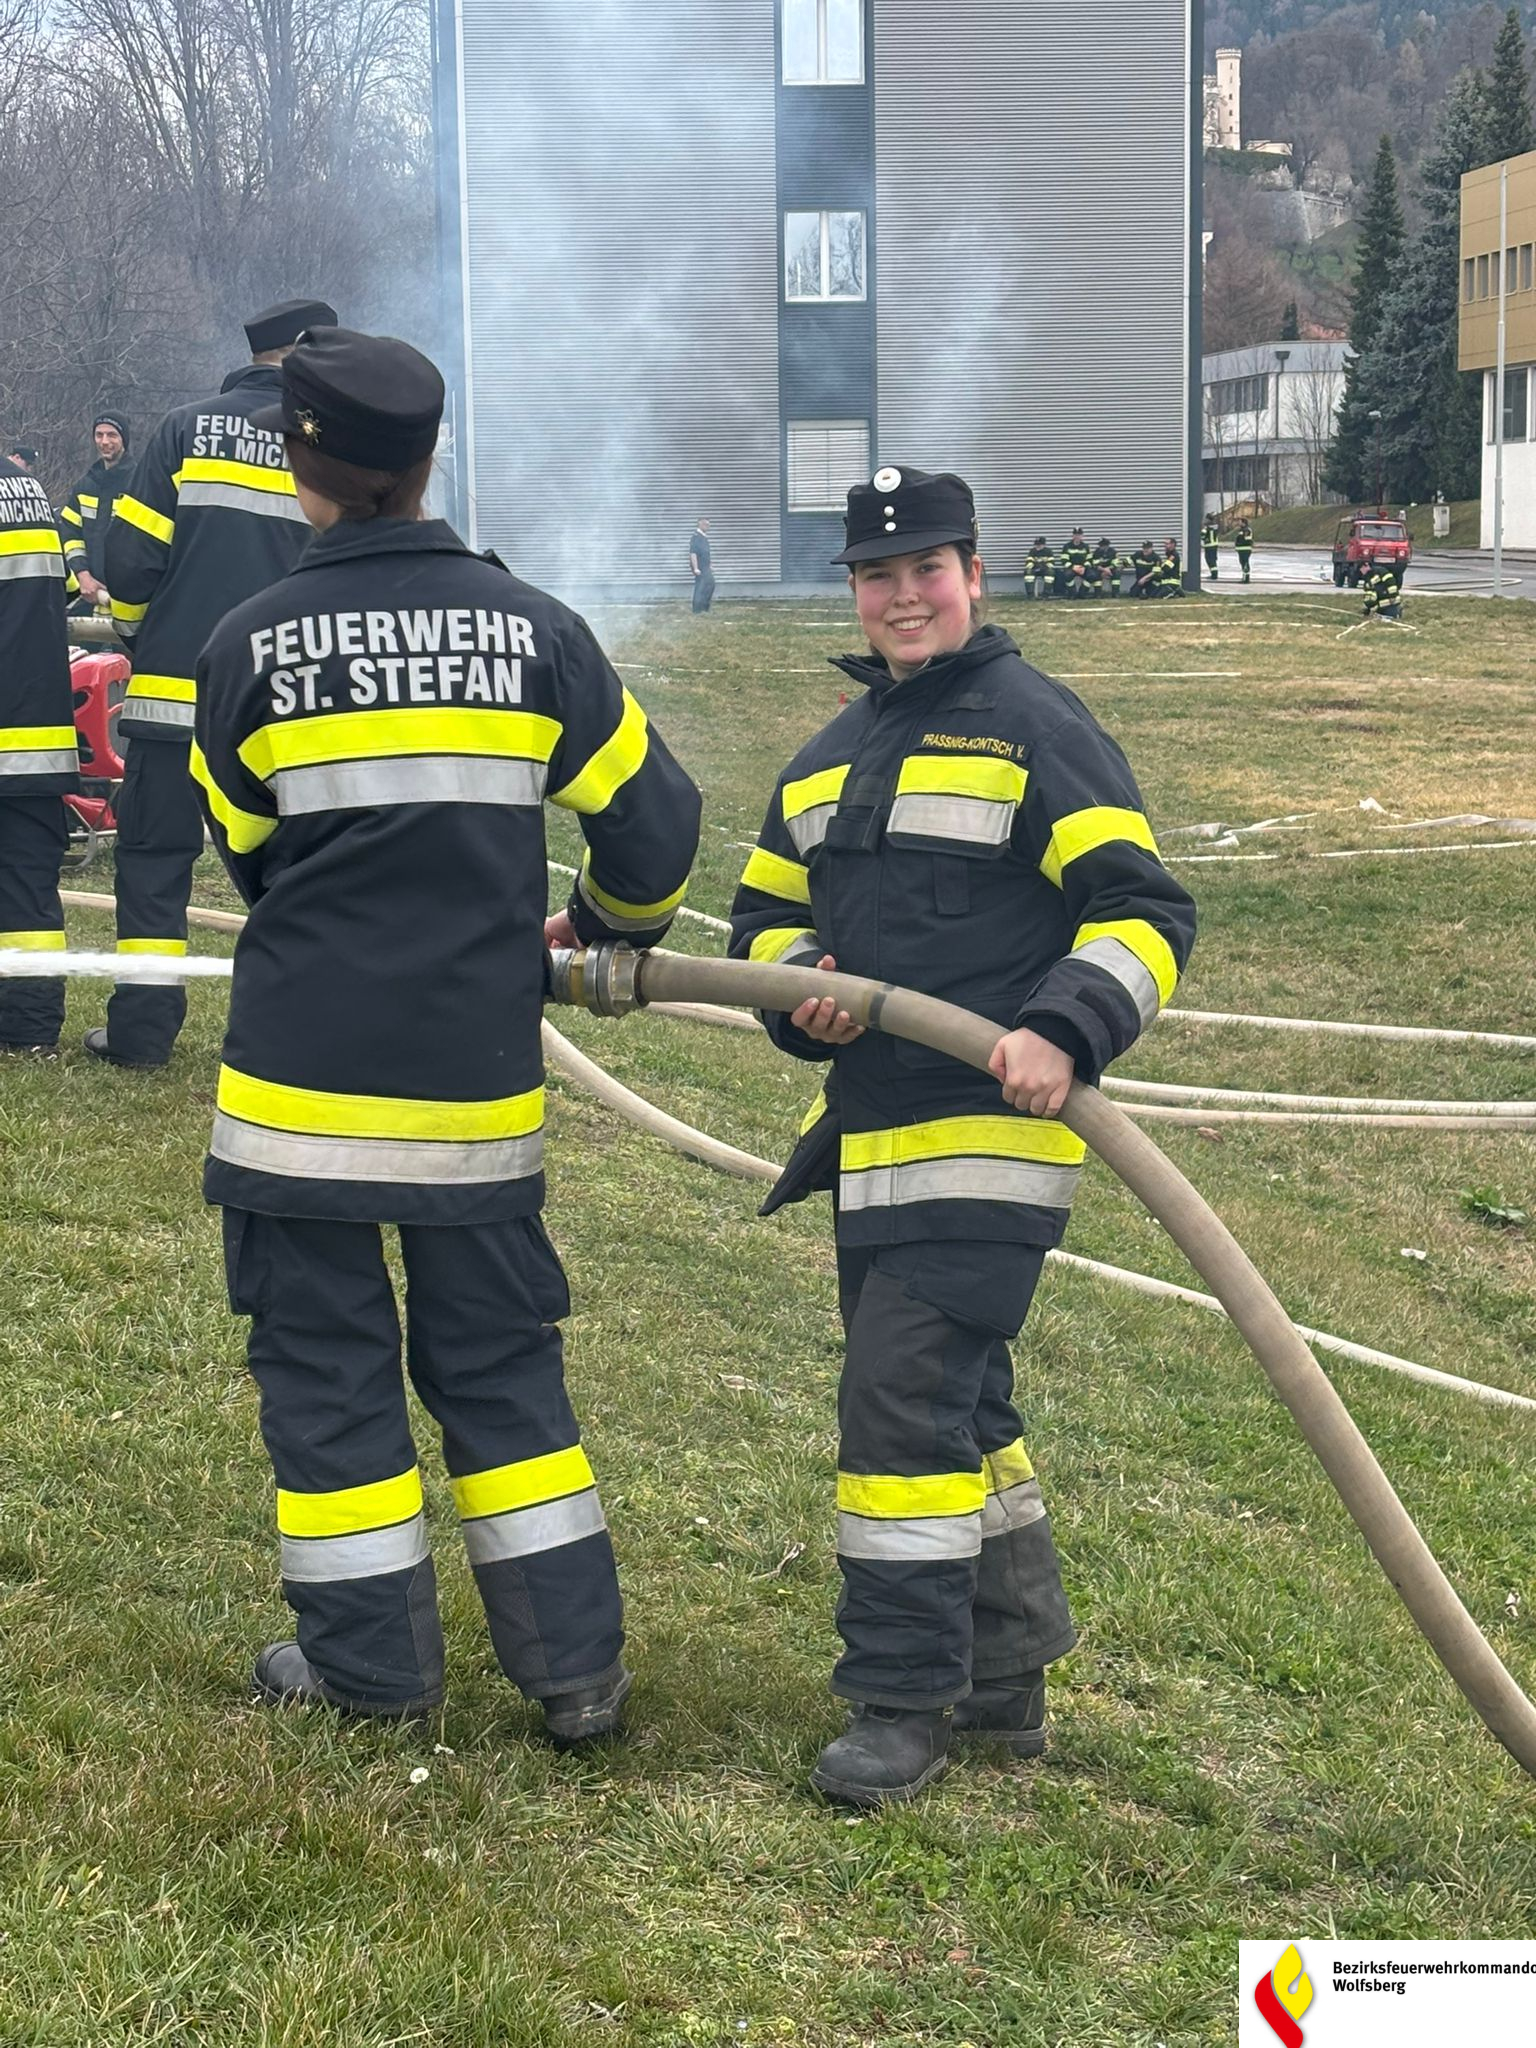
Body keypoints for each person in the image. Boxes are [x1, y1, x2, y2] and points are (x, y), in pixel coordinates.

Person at [192, 326, 702, 1729]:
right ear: (431, 461)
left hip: (299, 1098)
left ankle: (373, 1674)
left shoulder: (247, 647)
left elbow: (253, 855)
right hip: (473, 1095)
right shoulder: (538, 633)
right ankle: (574, 1672)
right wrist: (596, 927)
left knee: (326, 1373)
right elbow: (657, 826)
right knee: (500, 1365)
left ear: (299, 465)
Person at [729, 465, 1197, 1806]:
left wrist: (1065, 1025)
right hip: (870, 1143)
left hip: (991, 1137)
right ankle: (1006, 1671)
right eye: (877, 575)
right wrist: (800, 987)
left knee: (898, 1403)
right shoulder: (828, 758)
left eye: (926, 569)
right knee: (959, 1404)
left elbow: (1144, 910)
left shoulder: (1035, 727)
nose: (902, 595)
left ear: (973, 575)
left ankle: (901, 1698)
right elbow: (757, 926)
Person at [89, 296, 336, 1068]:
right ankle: (298, 1031)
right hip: (289, 711)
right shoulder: (330, 446)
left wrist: (145, 638)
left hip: (173, 704)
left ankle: (142, 1031)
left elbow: (130, 566)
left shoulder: (183, 430)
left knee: (152, 865)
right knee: (300, 870)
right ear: (308, 355)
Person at [0, 452, 80, 1054]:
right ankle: (29, 1028)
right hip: (37, 735)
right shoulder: (28, 490)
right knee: (27, 883)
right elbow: (68, 589)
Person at [58, 411, 133, 609]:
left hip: (128, 599)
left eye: (112, 435)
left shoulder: (140, 485)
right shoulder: (85, 486)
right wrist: (83, 575)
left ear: (124, 439)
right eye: (99, 435)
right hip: (89, 596)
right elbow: (69, 534)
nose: (104, 441)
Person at [1361, 552, 1403, 621]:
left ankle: (1397, 612)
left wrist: (1392, 596)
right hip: (1380, 604)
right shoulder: (1368, 577)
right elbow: (1369, 594)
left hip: (1390, 602)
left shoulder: (1380, 572)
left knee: (1391, 618)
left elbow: (1391, 583)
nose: (1361, 571)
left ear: (1367, 565)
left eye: (1361, 568)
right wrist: (1368, 609)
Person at [689, 516, 715, 612]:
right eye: (706, 524)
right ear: (700, 523)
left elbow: (706, 553)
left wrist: (710, 565)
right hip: (700, 567)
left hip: (705, 566)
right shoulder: (696, 537)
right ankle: (698, 609)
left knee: (708, 585)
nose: (707, 527)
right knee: (701, 587)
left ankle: (704, 607)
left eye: (708, 525)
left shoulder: (704, 537)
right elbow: (693, 553)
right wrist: (696, 568)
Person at [1057, 526, 1091, 598]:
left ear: (1082, 536)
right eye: (1075, 535)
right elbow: (1064, 560)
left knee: (1092, 575)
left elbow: (1089, 559)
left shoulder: (1086, 547)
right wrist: (1073, 567)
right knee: (1066, 575)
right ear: (1073, 536)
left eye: (1079, 535)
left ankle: (1082, 593)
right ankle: (1072, 593)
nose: (1077, 537)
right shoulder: (1067, 546)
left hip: (1082, 568)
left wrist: (1084, 567)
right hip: (1071, 568)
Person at [1233, 515, 1254, 584]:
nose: (1239, 523)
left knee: (1245, 563)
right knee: (1242, 563)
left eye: (1240, 522)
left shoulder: (1247, 530)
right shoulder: (1241, 530)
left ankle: (1246, 579)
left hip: (1245, 549)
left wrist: (1239, 543)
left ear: (1243, 522)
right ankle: (1244, 577)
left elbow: (1246, 540)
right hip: (1241, 549)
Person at [1201, 514, 1219, 581]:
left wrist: (1203, 538)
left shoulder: (1207, 526)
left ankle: (1214, 575)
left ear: (1208, 519)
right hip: (1215, 544)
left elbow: (1202, 535)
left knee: (1209, 560)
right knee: (1213, 559)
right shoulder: (1215, 526)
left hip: (1209, 545)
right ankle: (1214, 573)